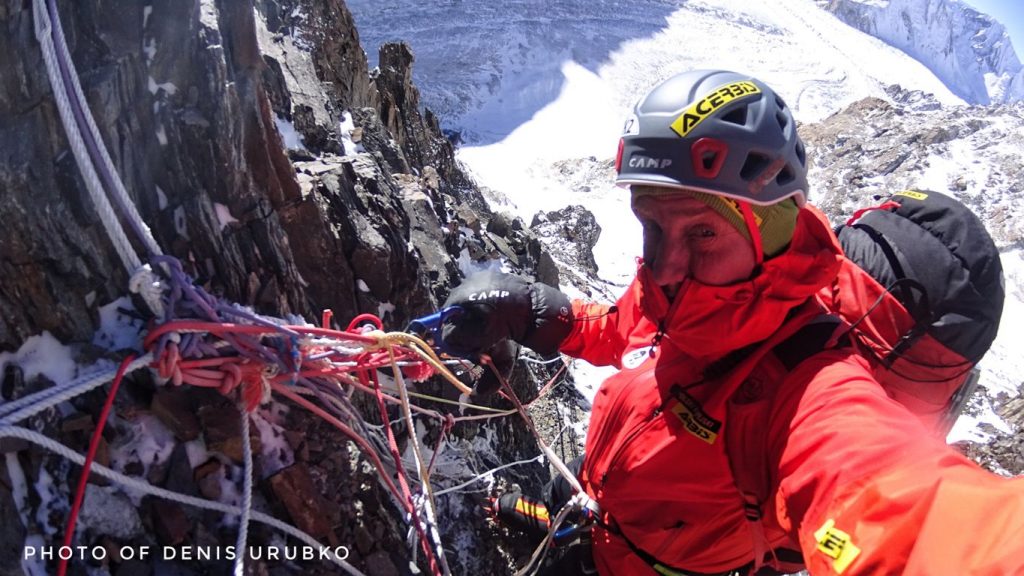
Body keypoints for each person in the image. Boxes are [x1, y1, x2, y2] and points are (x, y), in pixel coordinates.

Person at [439, 70, 1024, 575]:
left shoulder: (813, 394)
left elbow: (904, 512)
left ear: (769, 231)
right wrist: (535, 312)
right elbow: (626, 327)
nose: (664, 266)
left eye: (701, 231)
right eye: (651, 225)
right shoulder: (697, 286)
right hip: (605, 527)